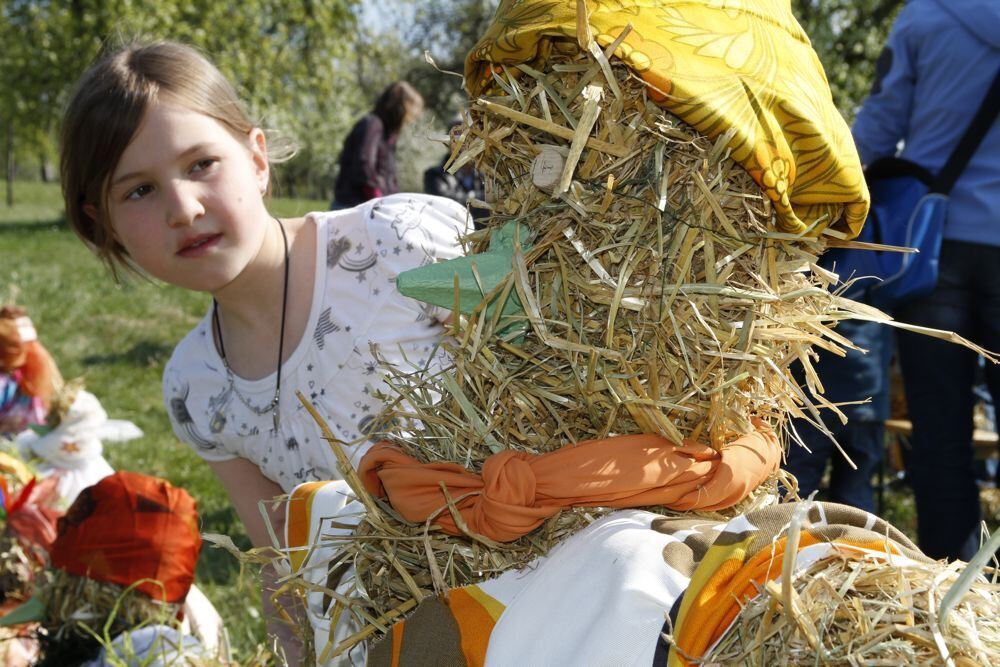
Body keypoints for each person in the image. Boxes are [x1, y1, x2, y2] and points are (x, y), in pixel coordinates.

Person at [59, 41, 470, 662]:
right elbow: (286, 567)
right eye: (139, 191)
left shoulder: (398, 246)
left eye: (201, 164)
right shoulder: (197, 389)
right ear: (103, 223)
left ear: (256, 159)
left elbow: (564, 384)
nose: (184, 209)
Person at [851, 0, 1000, 561]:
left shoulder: (925, 17)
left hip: (933, 249)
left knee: (940, 437)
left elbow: (879, 127)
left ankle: (958, 601)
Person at [783, 320, 891, 513]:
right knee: (855, 495)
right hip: (866, 394)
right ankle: (855, 541)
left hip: (814, 399)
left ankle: (784, 540)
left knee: (795, 488)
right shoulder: (881, 291)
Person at [332, 82, 424, 208]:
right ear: (400, 108)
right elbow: (364, 166)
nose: (410, 119)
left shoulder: (387, 134)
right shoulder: (373, 125)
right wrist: (378, 200)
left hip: (369, 207)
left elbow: (387, 174)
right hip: (354, 207)